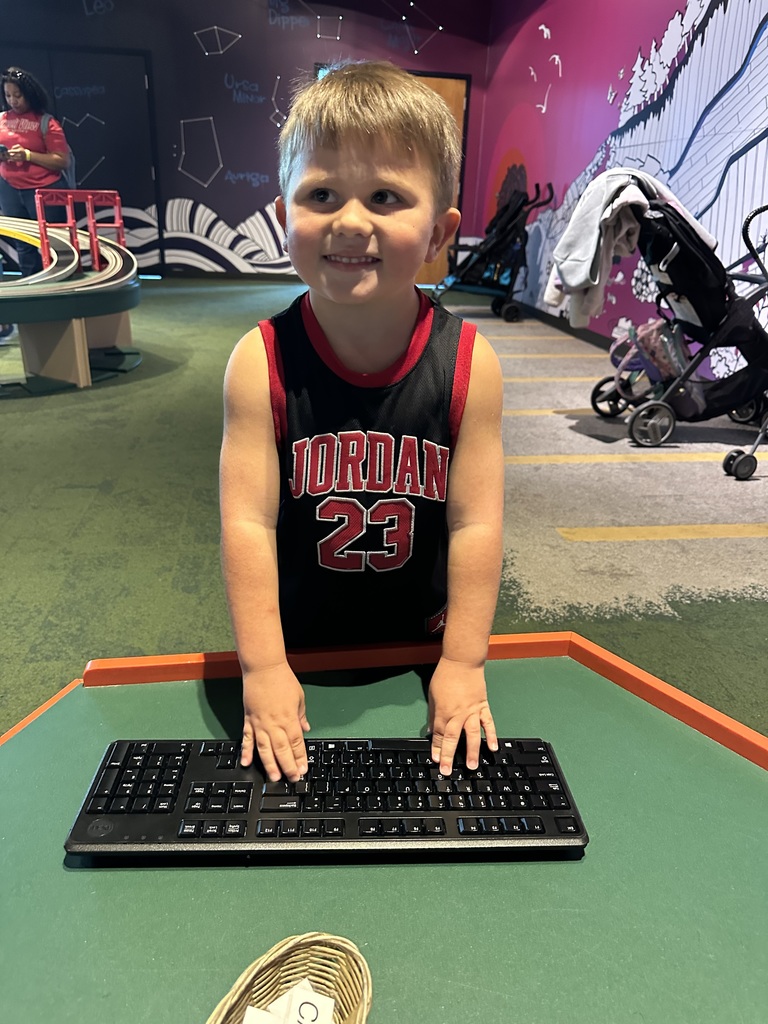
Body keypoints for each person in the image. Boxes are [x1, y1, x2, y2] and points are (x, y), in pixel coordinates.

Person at [219, 60, 504, 785]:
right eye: (321, 194)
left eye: (385, 196)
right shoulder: (258, 362)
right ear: (283, 217)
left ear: (439, 233)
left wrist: (465, 660)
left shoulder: (470, 363)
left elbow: (476, 524)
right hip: (299, 645)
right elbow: (247, 524)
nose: (349, 220)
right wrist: (263, 666)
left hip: (421, 649)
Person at [0, 66, 70, 277]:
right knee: (23, 244)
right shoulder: (1, 119)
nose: (13, 100)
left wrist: (28, 156)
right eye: (8, 95)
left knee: (56, 242)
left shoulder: (46, 122)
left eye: (18, 95)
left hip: (45, 189)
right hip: (10, 189)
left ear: (29, 94)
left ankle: (60, 285)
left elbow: (62, 161)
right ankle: (31, 284)